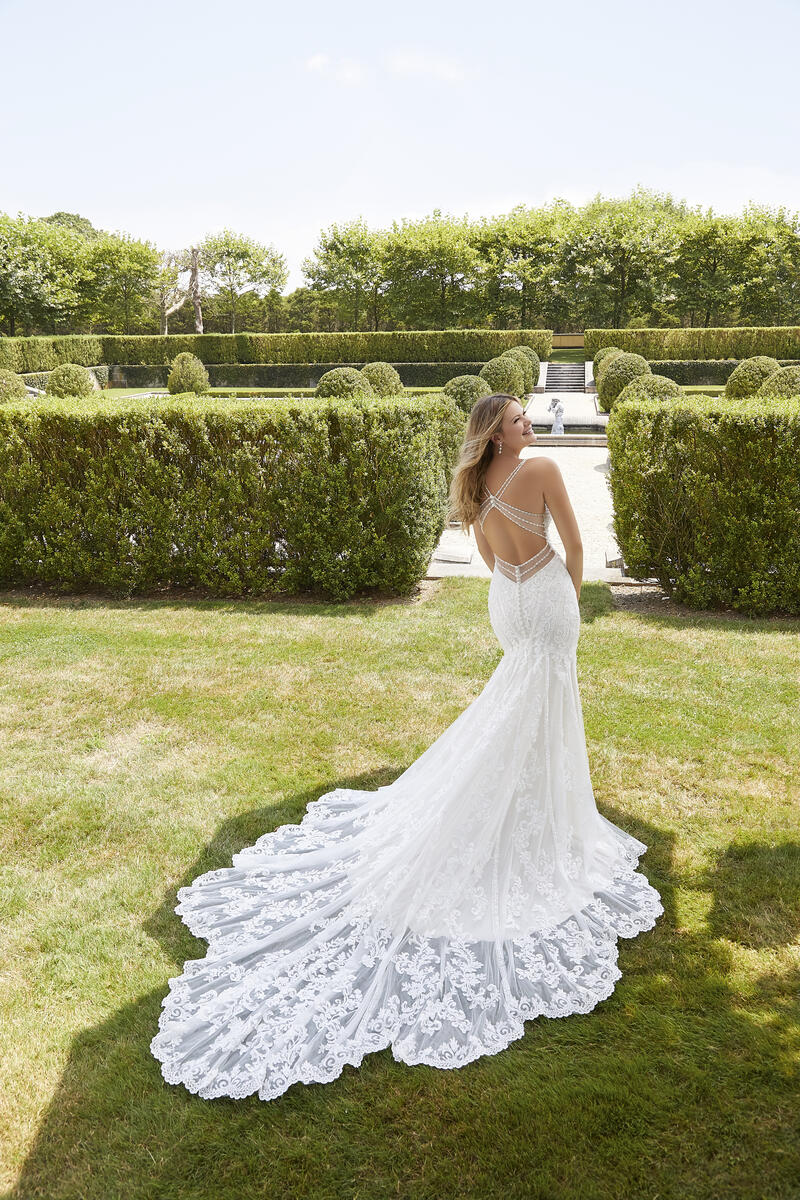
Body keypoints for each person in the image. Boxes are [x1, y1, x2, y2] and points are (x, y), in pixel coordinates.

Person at [150, 392, 663, 1102]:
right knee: (541, 706)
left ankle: (519, 799)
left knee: (520, 707)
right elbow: (575, 548)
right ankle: (533, 813)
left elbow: (491, 555)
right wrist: (568, 599)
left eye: (527, 419)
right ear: (497, 432)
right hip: (546, 595)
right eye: (518, 419)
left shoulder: (475, 484)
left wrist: (522, 588)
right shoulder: (543, 469)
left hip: (508, 601)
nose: (530, 425)